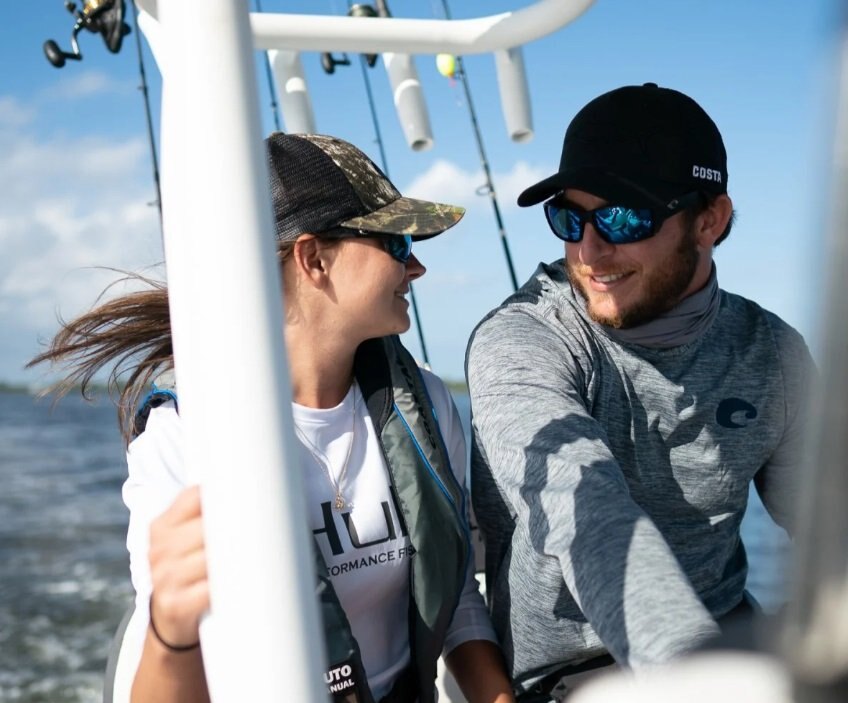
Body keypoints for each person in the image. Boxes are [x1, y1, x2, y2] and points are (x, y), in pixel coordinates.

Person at [29, 132, 514, 703]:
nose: (417, 266)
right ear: (313, 259)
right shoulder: (183, 441)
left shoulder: (425, 404)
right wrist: (171, 625)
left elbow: (457, 598)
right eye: (397, 243)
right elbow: (170, 657)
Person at [466, 83, 848, 700]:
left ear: (709, 220)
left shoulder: (772, 351)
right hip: (577, 671)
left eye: (624, 217)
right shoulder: (524, 340)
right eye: (569, 217)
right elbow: (585, 510)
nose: (589, 250)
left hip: (730, 636)